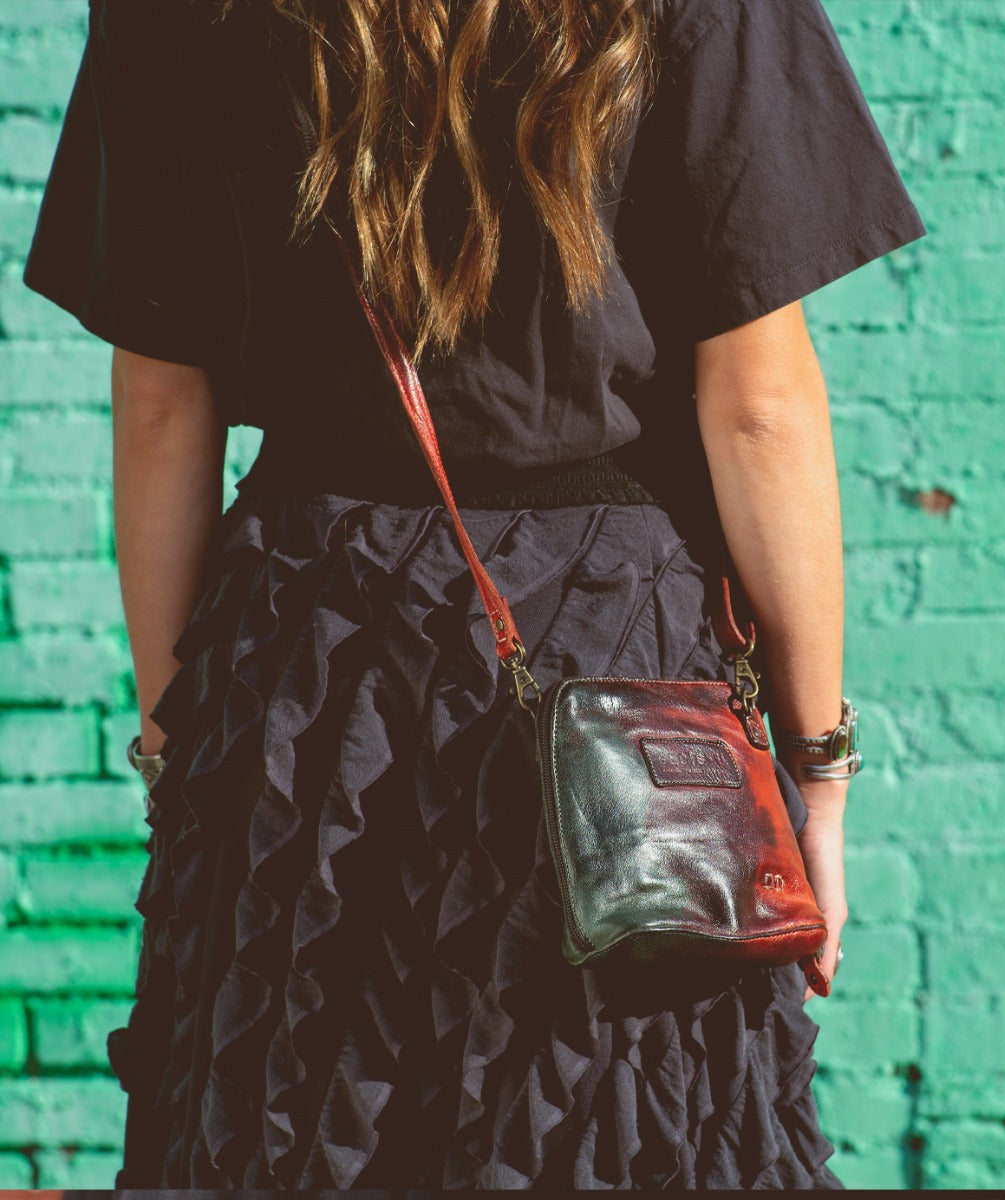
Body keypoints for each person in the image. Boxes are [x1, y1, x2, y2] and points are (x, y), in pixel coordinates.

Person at [24, 0, 926, 1188]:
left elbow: (159, 406)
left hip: (307, 664)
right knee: (616, 1120)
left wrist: (175, 759)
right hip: (614, 663)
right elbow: (756, 403)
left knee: (300, 1115)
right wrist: (816, 769)